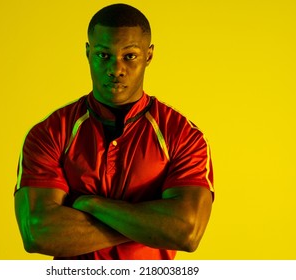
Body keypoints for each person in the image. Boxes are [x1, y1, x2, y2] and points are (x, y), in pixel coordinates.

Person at [14, 3, 214, 260]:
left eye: (129, 56)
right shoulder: (50, 133)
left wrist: (91, 204)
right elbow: (37, 233)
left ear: (149, 55)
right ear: (88, 53)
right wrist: (153, 224)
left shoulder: (183, 136)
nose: (116, 69)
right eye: (103, 55)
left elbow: (186, 232)